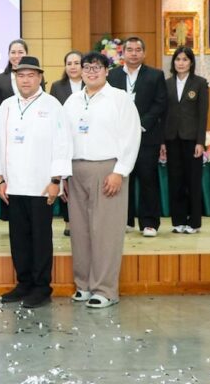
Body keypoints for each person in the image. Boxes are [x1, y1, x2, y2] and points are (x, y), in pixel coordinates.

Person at [0, 56, 72, 309]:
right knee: (18, 238)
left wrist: (56, 180)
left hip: (41, 185)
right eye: (21, 75)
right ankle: (23, 283)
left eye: (30, 75)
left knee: (41, 238)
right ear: (15, 78)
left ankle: (41, 287)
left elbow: (62, 143)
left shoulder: (53, 105)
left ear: (39, 77)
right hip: (13, 184)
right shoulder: (7, 106)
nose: (25, 80)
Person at [63, 52, 141, 308]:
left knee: (106, 231)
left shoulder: (120, 99)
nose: (91, 71)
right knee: (80, 231)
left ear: (107, 71)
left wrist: (120, 171)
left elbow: (131, 137)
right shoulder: (72, 101)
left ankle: (105, 289)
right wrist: (63, 173)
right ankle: (84, 285)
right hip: (76, 171)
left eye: (97, 67)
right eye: (86, 67)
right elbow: (62, 139)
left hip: (108, 170)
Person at [107, 37, 167, 237]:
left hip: (146, 137)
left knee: (148, 179)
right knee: (123, 179)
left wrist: (140, 124)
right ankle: (125, 220)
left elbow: (160, 104)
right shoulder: (112, 76)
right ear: (122, 53)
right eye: (129, 49)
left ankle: (149, 223)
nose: (133, 53)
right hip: (119, 138)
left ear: (144, 53)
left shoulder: (155, 75)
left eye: (138, 49)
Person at [161, 46, 209, 235]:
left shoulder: (199, 83)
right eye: (178, 59)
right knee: (176, 181)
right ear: (173, 62)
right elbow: (163, 115)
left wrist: (200, 142)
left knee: (193, 181)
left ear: (191, 63)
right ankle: (178, 221)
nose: (181, 63)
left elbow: (202, 114)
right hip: (172, 138)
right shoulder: (166, 84)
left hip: (191, 140)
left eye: (185, 59)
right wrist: (162, 142)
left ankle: (194, 222)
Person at [49, 50, 83, 237]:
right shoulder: (57, 86)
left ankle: (83, 220)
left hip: (85, 140)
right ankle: (68, 221)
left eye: (76, 63)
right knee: (65, 180)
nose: (72, 67)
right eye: (69, 63)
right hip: (63, 138)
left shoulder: (91, 85)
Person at [0, 39, 28, 111]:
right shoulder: (0, 79)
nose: (16, 56)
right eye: (13, 52)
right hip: (8, 120)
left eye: (20, 52)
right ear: (8, 54)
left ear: (26, 54)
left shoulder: (36, 76)